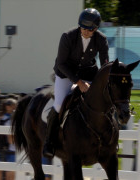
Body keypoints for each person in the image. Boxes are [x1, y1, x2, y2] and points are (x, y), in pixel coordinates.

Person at [43, 8, 109, 157]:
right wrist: (78, 82)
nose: (85, 31)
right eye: (83, 27)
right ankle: (49, 141)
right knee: (59, 105)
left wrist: (103, 80)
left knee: (103, 100)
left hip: (89, 72)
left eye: (89, 29)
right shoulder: (67, 37)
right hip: (66, 73)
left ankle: (107, 136)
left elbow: (105, 63)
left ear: (96, 28)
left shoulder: (101, 39)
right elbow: (61, 64)